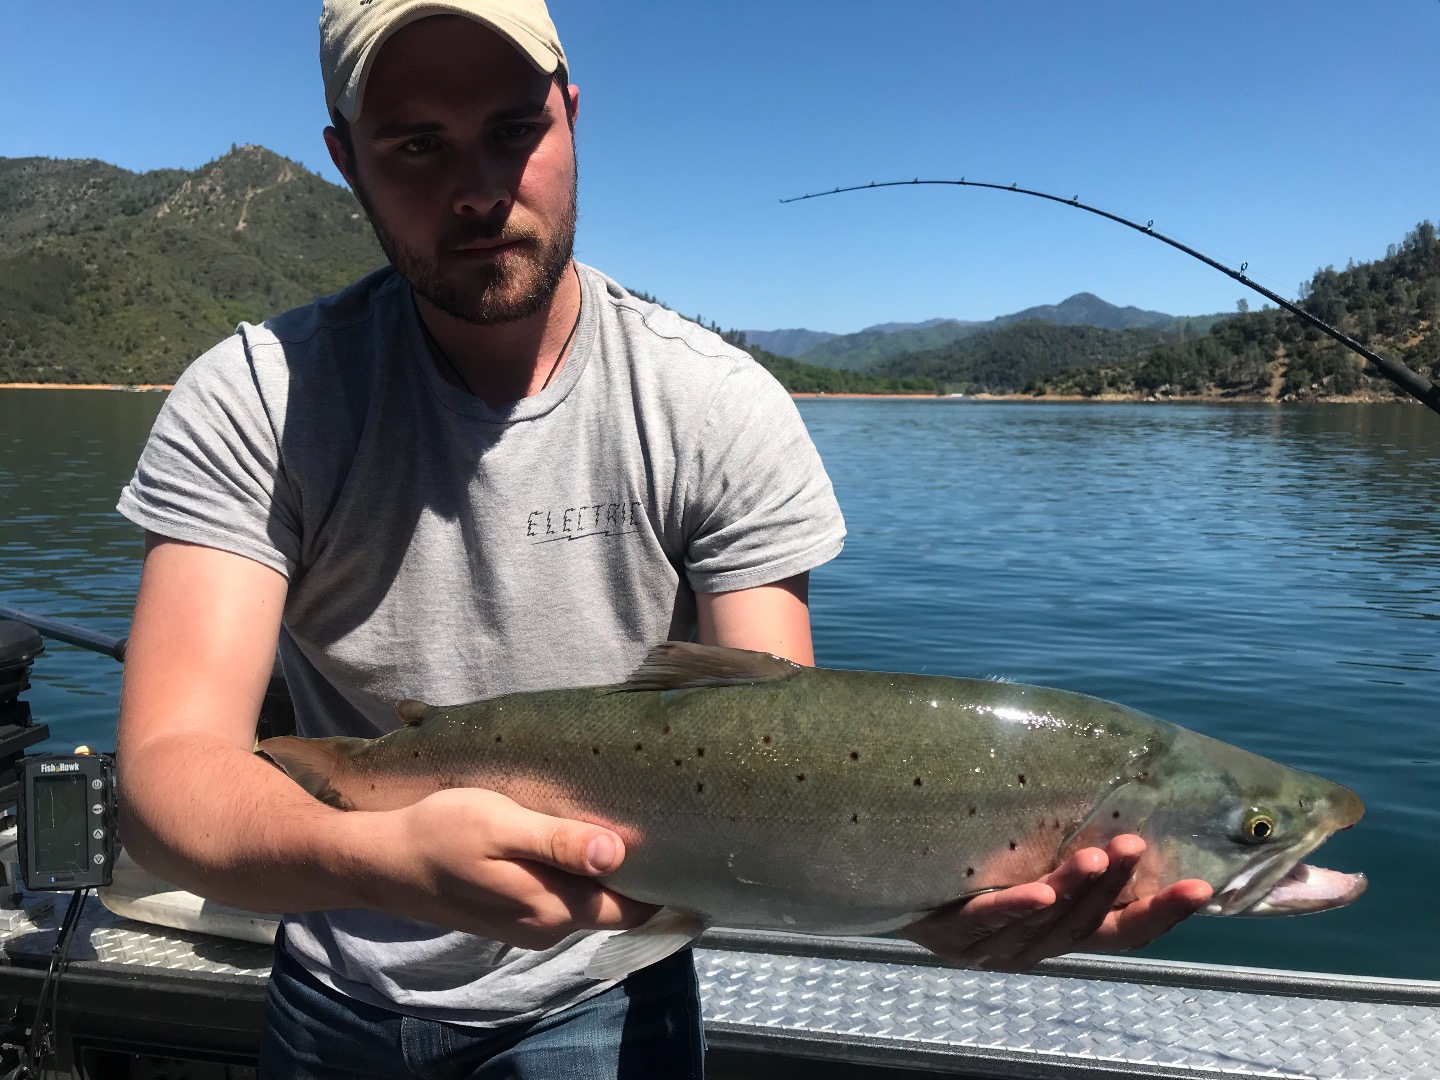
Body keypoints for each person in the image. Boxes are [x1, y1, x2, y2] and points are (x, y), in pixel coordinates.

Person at [114, 1, 1213, 1077]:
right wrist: (376, 861)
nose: (481, 188)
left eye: (513, 130)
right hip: (334, 989)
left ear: (572, 118)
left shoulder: (716, 408)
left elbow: (779, 754)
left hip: (604, 1001)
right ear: (347, 162)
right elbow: (170, 778)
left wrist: (916, 899)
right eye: (415, 145)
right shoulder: (259, 399)